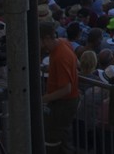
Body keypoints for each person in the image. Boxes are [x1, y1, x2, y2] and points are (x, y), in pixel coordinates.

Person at [40, 20, 81, 154]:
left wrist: (43, 99)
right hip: (64, 102)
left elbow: (66, 89)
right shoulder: (63, 43)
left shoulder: (60, 56)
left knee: (53, 139)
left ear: (46, 38)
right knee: (63, 139)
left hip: (63, 103)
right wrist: (51, 69)